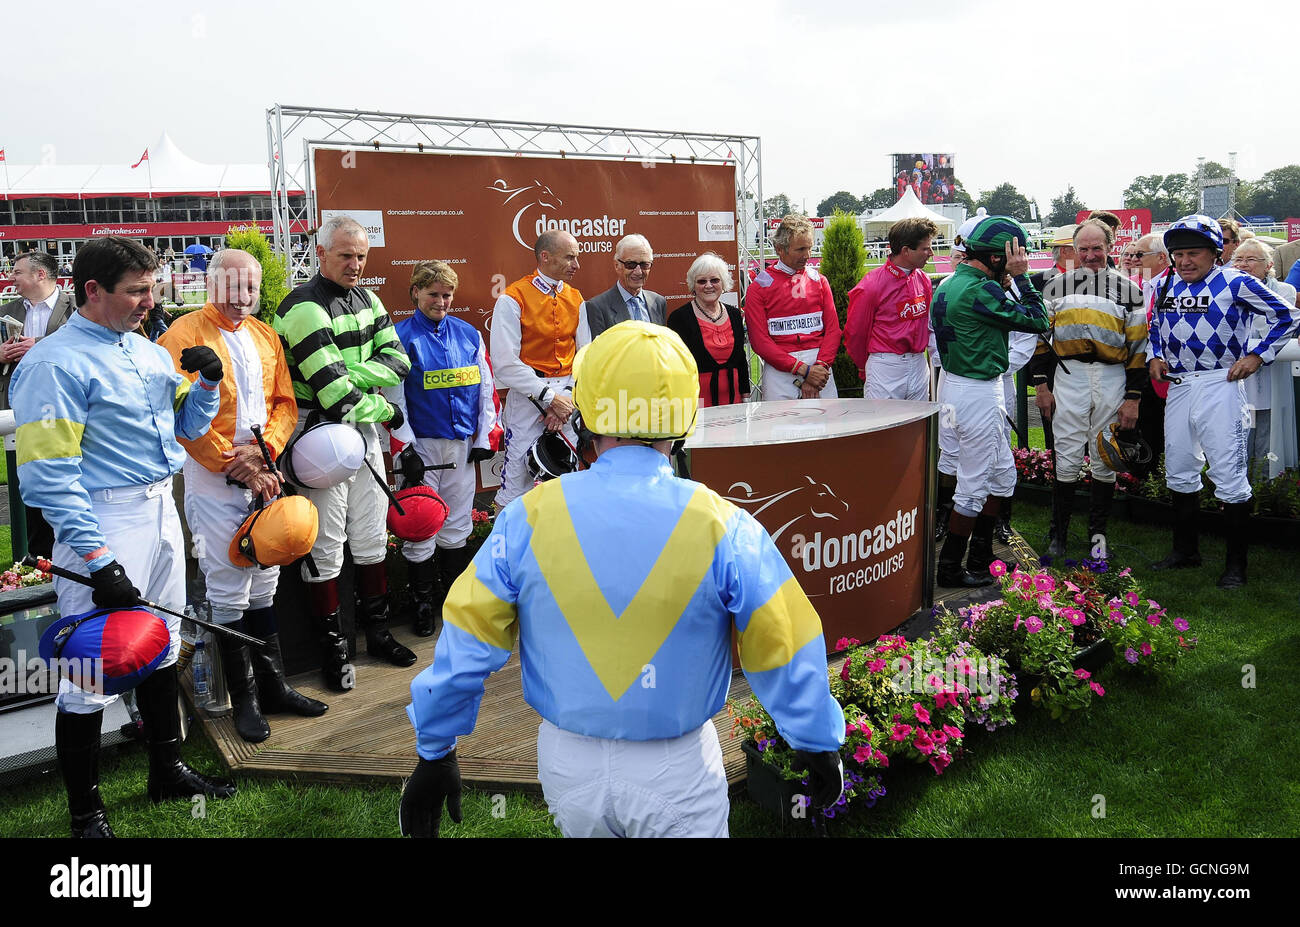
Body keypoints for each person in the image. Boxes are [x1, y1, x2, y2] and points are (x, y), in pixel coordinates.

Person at [400, 321, 845, 838]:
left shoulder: (528, 516)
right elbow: (783, 640)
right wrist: (816, 740)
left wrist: (435, 751)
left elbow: (467, 640)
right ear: (684, 418)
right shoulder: (722, 522)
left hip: (568, 765)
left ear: (586, 414)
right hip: (677, 765)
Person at [10, 236, 235, 837]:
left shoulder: (149, 351)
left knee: (162, 641)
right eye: (136, 291)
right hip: (102, 519)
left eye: (150, 288)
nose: (148, 300)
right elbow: (48, 477)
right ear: (92, 290)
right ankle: (86, 814)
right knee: (91, 669)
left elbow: (184, 429)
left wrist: (207, 387)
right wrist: (98, 557)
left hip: (161, 504)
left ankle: (167, 769)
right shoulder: (53, 363)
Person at [159, 248, 327, 743]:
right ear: (211, 286)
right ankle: (245, 700)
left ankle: (273, 687)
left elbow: (284, 403)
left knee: (266, 575)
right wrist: (235, 463)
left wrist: (266, 451)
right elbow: (182, 418)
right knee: (229, 581)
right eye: (232, 289)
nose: (242, 299)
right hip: (214, 475)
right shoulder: (183, 335)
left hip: (263, 467)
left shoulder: (265, 333)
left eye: (250, 289)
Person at [274, 215, 414, 688]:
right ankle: (334, 650)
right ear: (321, 254)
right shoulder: (303, 308)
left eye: (360, 256)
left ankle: (377, 633)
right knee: (327, 545)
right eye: (345, 256)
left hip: (362, 435)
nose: (355, 264)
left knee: (372, 535)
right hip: (319, 440)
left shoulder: (369, 298)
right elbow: (334, 396)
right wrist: (382, 406)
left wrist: (349, 375)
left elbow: (400, 362)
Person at [1148, 215, 1297, 587]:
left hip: (1220, 384)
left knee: (1228, 474)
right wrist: (1154, 354)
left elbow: (1287, 315)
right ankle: (1186, 551)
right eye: (1178, 254)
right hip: (1180, 385)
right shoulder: (1166, 283)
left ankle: (1236, 567)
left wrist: (1257, 356)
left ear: (1215, 253)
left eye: (1193, 253)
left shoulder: (1236, 281)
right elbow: (1154, 326)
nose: (1184, 261)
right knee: (1180, 468)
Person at [931, 216, 1049, 587]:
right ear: (999, 258)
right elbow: (1038, 319)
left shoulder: (950, 282)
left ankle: (981, 559)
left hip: (958, 386)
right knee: (975, 483)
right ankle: (950, 567)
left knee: (1002, 476)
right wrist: (1024, 278)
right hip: (977, 392)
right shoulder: (982, 289)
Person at [388, 260, 500, 636]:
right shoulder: (400, 337)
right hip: (420, 448)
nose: (441, 301)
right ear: (415, 293)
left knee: (457, 525)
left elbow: (485, 389)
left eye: (447, 295)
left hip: (460, 446)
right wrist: (405, 450)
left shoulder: (468, 334)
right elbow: (393, 399)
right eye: (433, 294)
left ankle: (451, 600)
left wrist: (485, 438)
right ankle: (421, 603)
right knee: (419, 525)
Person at [1029, 220, 1148, 559]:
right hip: (1070, 375)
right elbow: (1041, 340)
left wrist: (1133, 398)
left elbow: (1138, 348)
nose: (1091, 255)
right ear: (1074, 250)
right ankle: (1059, 535)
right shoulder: (1056, 287)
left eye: (1098, 248)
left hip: (1113, 376)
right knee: (1065, 455)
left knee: (1104, 458)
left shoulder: (1129, 289)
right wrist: (1041, 385)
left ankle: (1098, 538)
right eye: (1084, 249)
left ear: (1110, 248)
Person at [489, 230, 583, 511]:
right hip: (528, 396)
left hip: (569, 397)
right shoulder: (512, 297)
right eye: (569, 257)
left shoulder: (577, 298)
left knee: (571, 479)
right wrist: (548, 398)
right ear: (545, 256)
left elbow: (585, 355)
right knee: (515, 483)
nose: (576, 265)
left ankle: (566, 548)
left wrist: (564, 398)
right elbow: (504, 362)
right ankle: (508, 551)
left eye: (576, 257)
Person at [745, 215, 840, 401]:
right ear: (779, 249)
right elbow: (760, 341)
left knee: (828, 428)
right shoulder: (759, 287)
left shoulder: (820, 281)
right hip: (780, 368)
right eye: (800, 249)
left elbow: (833, 331)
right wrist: (804, 370)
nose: (807, 255)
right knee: (779, 429)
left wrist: (819, 368)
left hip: (820, 368)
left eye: (810, 247)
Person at [845, 217, 936, 400]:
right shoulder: (871, 285)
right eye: (925, 248)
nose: (931, 253)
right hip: (886, 367)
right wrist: (864, 367)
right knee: (885, 426)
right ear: (905, 251)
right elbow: (856, 333)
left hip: (918, 364)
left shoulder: (923, 279)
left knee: (917, 427)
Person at [1229, 238, 1298, 475]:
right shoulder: (1227, 289)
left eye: (1251, 260)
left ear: (1268, 265)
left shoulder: (1284, 291)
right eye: (1238, 259)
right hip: (1239, 371)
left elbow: (1271, 324)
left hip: (1270, 370)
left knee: (1268, 428)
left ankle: (1266, 483)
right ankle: (1239, 479)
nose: (1243, 264)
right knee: (1241, 427)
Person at [666, 252, 749, 407]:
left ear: (723, 283)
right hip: (696, 404)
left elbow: (741, 360)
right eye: (702, 281)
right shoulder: (679, 318)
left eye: (715, 280)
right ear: (693, 286)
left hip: (734, 402)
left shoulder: (735, 314)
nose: (709, 285)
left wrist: (746, 396)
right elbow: (674, 367)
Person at [2, 251, 75, 410]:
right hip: (16, 401)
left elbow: (88, 344)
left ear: (40, 274)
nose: (10, 278)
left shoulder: (78, 309)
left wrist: (39, 345)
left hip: (64, 398)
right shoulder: (4, 311)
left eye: (18, 272)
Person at [575, 234, 666, 345]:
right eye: (631, 264)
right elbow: (598, 354)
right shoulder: (597, 307)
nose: (638, 271)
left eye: (644, 265)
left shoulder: (658, 302)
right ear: (617, 265)